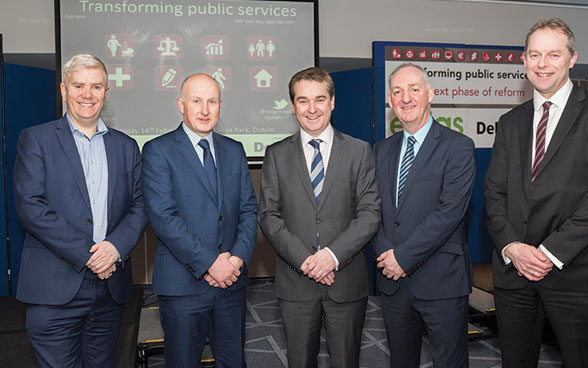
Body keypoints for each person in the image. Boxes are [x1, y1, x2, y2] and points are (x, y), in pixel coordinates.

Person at [484, 18, 588, 368]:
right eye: (535, 55)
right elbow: (494, 193)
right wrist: (512, 248)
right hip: (514, 272)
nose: (543, 64)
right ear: (524, 60)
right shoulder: (510, 122)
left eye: (553, 54)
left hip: (574, 273)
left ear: (572, 59)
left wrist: (548, 253)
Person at [13, 53, 147, 367]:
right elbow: (30, 206)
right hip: (54, 290)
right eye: (79, 86)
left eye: (96, 86)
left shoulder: (126, 146)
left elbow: (140, 206)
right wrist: (91, 255)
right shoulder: (36, 139)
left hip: (109, 288)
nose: (87, 94)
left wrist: (114, 248)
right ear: (63, 90)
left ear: (106, 92)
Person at [258, 67, 380, 368]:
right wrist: (307, 261)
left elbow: (370, 213)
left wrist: (331, 257)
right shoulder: (276, 154)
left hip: (346, 281)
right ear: (292, 106)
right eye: (303, 100)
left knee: (346, 362)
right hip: (296, 283)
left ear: (332, 102)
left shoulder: (359, 151)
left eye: (319, 99)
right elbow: (269, 216)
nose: (312, 109)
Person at [142, 73, 258, 367]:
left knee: (233, 362)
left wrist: (236, 261)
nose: (205, 110)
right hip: (183, 285)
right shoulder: (158, 151)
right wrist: (211, 263)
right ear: (181, 105)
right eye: (196, 101)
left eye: (212, 101)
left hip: (231, 282)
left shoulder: (234, 150)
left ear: (220, 105)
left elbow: (248, 211)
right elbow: (164, 218)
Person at [372, 63, 475, 368]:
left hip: (440, 280)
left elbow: (449, 213)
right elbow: (369, 210)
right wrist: (384, 254)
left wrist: (402, 257)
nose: (406, 98)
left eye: (414, 89)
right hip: (392, 281)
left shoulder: (458, 147)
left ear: (430, 94)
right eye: (398, 92)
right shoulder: (381, 151)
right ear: (390, 100)